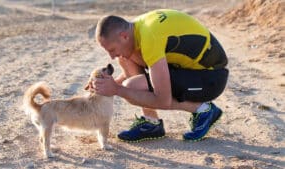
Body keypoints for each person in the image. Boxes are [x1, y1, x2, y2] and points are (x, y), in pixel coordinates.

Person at [90, 9, 228, 142]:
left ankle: (204, 110)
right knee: (125, 58)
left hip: (211, 77)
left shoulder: (150, 37)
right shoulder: (136, 29)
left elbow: (163, 100)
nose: (111, 56)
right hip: (190, 70)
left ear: (124, 36)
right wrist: (106, 84)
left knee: (132, 87)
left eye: (112, 49)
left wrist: (117, 90)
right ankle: (152, 122)